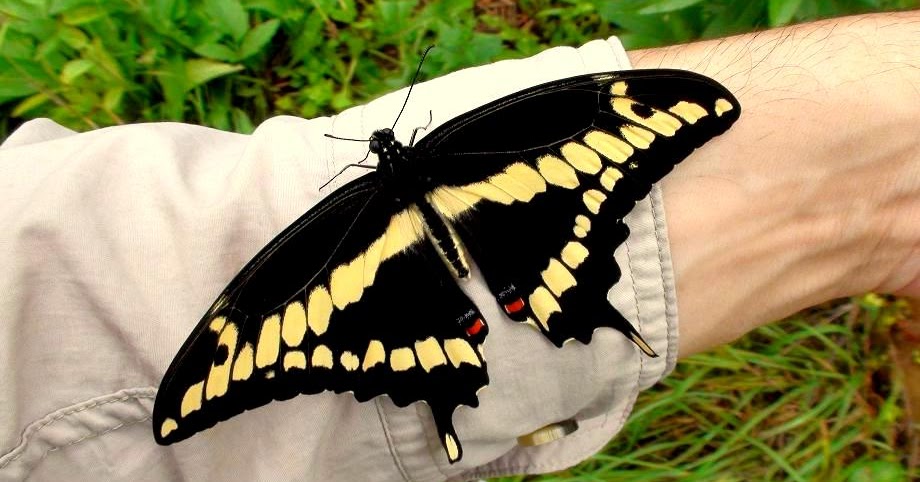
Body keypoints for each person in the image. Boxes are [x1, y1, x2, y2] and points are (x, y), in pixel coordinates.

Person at [0, 10, 916, 481]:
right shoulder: (440, 163)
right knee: (539, 277)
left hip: (410, 273)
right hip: (486, 232)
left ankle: (476, 382)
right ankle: (545, 320)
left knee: (463, 319)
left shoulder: (334, 218)